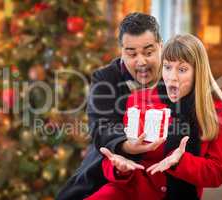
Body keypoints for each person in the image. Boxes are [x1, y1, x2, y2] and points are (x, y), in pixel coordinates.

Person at [85, 34, 222, 200]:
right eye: (167, 67)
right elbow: (113, 156)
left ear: (198, 73)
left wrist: (180, 162)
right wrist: (119, 167)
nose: (171, 77)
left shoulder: (220, 113)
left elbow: (218, 173)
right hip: (128, 192)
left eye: (182, 69)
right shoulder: (139, 100)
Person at [57, 13, 164, 200]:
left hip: (158, 179)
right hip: (105, 174)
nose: (141, 61)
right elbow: (101, 126)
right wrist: (127, 145)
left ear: (160, 47)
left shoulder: (174, 77)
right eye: (132, 54)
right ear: (122, 52)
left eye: (148, 52)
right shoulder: (105, 78)